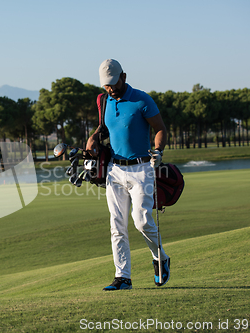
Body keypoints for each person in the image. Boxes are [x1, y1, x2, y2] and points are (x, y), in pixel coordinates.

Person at [86, 59, 170, 290]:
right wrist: (94, 137)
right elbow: (104, 128)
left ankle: (160, 257)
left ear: (123, 76)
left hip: (142, 169)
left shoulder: (142, 99)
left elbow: (161, 128)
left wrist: (159, 151)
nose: (110, 89)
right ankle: (123, 277)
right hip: (115, 170)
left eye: (113, 84)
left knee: (142, 222)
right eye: (106, 85)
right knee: (117, 225)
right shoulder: (103, 101)